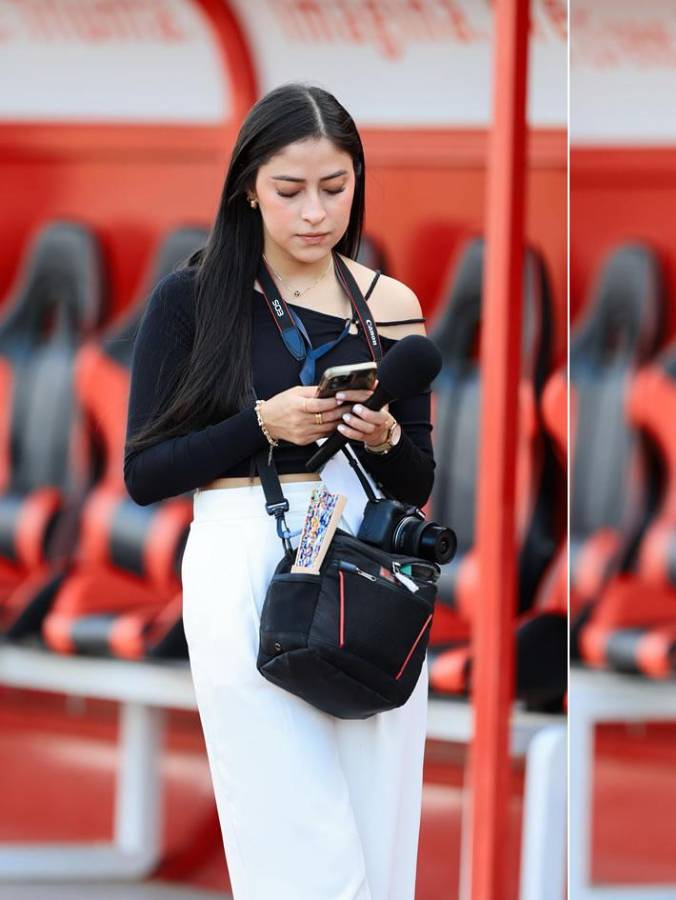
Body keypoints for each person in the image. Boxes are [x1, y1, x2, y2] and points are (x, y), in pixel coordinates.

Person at [124, 83, 434, 899]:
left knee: (377, 830)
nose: (313, 213)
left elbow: (421, 478)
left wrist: (388, 438)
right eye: (289, 190)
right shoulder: (192, 300)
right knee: (297, 839)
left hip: (364, 563)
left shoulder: (390, 306)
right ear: (247, 187)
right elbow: (145, 473)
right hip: (243, 556)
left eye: (335, 188)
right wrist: (264, 424)